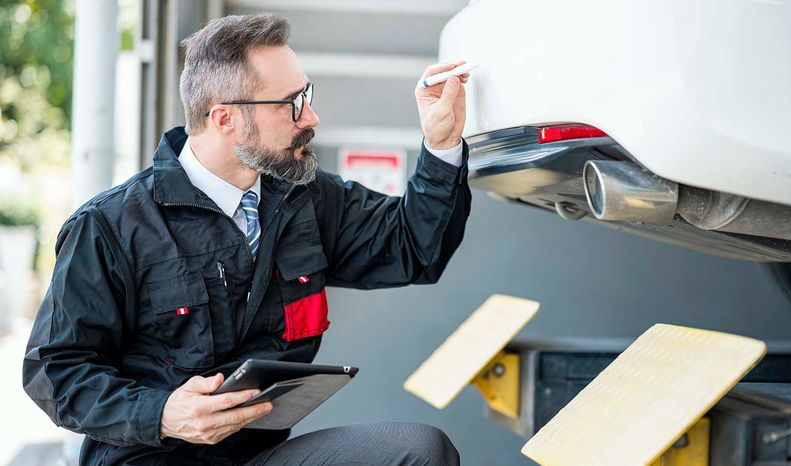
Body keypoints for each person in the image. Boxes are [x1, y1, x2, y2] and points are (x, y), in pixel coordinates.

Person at [23, 13, 471, 466]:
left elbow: (413, 248)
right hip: (149, 457)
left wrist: (442, 144)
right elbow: (55, 371)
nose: (310, 117)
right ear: (225, 118)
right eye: (291, 103)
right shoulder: (111, 226)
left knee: (420, 451)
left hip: (256, 456)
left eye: (307, 96)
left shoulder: (306, 200)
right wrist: (162, 414)